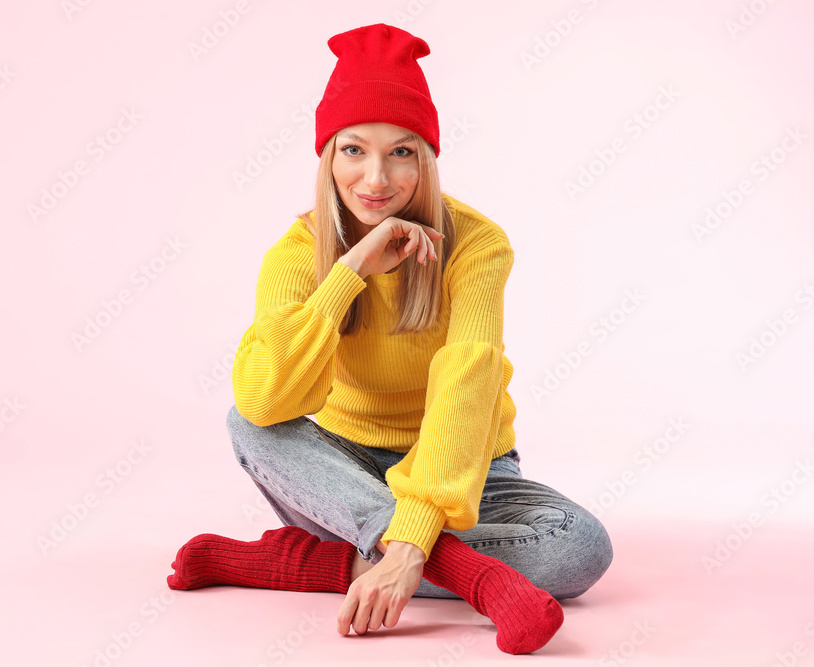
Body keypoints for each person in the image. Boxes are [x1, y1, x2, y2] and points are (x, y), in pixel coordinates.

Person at [166, 22, 613, 656]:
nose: (376, 178)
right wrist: (347, 274)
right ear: (327, 157)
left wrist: (411, 543)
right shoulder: (295, 253)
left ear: (427, 157)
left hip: (470, 472)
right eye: (354, 150)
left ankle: (310, 565)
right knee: (248, 419)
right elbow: (268, 400)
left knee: (579, 549)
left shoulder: (478, 246)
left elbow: (469, 380)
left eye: (401, 151)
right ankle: (473, 575)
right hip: (341, 474)